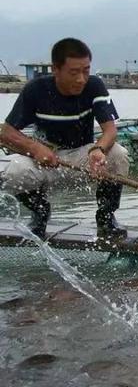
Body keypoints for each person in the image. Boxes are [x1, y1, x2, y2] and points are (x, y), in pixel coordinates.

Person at [0, 38, 130, 239]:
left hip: (81, 156)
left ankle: (106, 216)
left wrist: (99, 149)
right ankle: (40, 212)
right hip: (45, 159)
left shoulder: (94, 86)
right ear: (56, 70)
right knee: (16, 172)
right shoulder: (35, 90)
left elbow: (110, 130)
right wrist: (34, 148)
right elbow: (7, 132)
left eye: (86, 70)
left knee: (119, 155)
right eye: (74, 72)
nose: (81, 79)